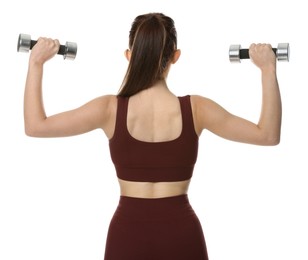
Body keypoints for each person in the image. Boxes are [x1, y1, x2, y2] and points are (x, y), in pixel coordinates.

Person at [23, 12, 281, 260]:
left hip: (127, 234)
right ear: (175, 56)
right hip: (181, 234)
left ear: (129, 55)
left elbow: (36, 126)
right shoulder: (197, 109)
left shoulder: (109, 109)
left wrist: (36, 62)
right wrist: (268, 69)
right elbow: (267, 135)